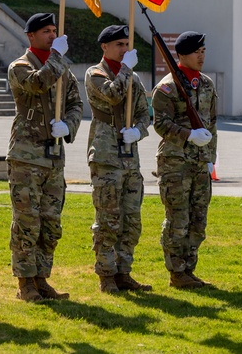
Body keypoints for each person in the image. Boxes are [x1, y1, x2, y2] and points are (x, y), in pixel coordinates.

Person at [7, 12, 82, 302]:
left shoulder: (61, 67)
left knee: (50, 223)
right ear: (31, 36)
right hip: (26, 156)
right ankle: (25, 283)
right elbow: (38, 83)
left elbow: (76, 103)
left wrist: (69, 125)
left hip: (53, 156)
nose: (52, 35)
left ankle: (42, 278)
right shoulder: (20, 66)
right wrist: (59, 59)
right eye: (46, 31)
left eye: (54, 30)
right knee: (27, 223)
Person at [85, 24, 151, 293]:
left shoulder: (133, 78)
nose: (125, 49)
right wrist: (126, 69)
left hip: (129, 158)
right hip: (106, 155)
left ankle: (124, 272)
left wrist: (138, 130)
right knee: (109, 219)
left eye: (127, 44)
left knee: (131, 220)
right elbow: (112, 94)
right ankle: (106, 275)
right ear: (105, 47)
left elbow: (145, 113)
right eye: (119, 45)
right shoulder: (95, 73)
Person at [151, 31, 218, 289]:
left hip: (200, 162)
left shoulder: (207, 85)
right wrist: (188, 135)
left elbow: (212, 125)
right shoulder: (167, 87)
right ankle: (176, 272)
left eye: (203, 51)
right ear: (181, 55)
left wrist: (211, 156)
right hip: (175, 162)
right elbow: (160, 124)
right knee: (178, 219)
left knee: (198, 220)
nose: (201, 56)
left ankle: (189, 270)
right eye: (195, 52)